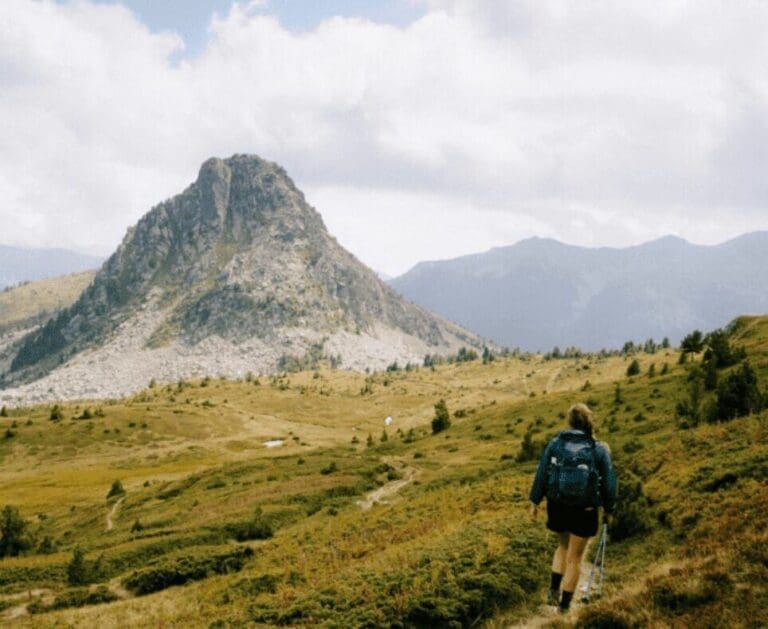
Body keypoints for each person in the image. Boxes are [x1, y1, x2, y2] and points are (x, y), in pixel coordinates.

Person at [528, 403, 617, 613]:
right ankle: (564, 608)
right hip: (584, 510)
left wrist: (534, 502)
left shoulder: (556, 443)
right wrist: (609, 509)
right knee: (575, 558)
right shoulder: (599, 449)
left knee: (562, 548)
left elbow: (542, 473)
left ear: (570, 421)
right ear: (589, 421)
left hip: (557, 506)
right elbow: (609, 483)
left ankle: (552, 591)